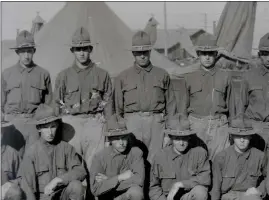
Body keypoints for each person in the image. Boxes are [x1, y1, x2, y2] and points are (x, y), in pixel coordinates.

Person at [18, 104, 87, 200]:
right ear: (38, 129)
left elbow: (81, 171)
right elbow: (26, 187)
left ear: (57, 126)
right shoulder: (31, 152)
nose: (49, 132)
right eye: (45, 127)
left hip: (62, 196)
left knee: (77, 186)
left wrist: (58, 180)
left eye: (53, 126)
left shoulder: (66, 148)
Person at [111, 31, 177, 161]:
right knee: (134, 160)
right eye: (138, 52)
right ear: (133, 53)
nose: (142, 55)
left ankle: (154, 183)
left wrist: (169, 133)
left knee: (156, 160)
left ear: (150, 52)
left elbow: (171, 106)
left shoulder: (162, 74)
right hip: (132, 124)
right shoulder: (123, 77)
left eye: (145, 51)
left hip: (156, 123)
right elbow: (117, 109)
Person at [54, 27, 112, 167]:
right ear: (72, 51)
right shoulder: (63, 76)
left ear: (90, 49)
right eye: (78, 49)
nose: (81, 53)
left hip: (95, 122)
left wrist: (110, 130)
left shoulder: (102, 74)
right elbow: (56, 104)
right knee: (73, 165)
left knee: (95, 164)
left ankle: (94, 189)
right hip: (71, 124)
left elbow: (109, 103)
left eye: (85, 49)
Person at [149, 114, 211, 200]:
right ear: (171, 138)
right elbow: (154, 188)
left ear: (189, 137)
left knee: (200, 191)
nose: (181, 142)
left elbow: (205, 178)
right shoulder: (160, 156)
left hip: (189, 198)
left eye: (184, 138)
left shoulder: (199, 152)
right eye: (177, 138)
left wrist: (180, 184)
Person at [207, 117, 266, 200]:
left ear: (251, 137)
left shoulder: (259, 156)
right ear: (232, 136)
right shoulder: (221, 157)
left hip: (248, 195)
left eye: (246, 136)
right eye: (238, 136)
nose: (242, 140)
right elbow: (216, 188)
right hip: (228, 198)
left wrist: (259, 190)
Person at [182, 33, 239, 160]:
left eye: (211, 53)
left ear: (215, 54)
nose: (207, 57)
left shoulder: (225, 77)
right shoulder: (189, 77)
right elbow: (182, 108)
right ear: (198, 54)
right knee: (196, 162)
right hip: (196, 126)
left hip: (219, 126)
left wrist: (232, 130)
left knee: (220, 163)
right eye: (203, 53)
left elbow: (232, 107)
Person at [88, 115, 144, 200]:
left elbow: (139, 180)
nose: (121, 142)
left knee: (136, 192)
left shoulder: (136, 153)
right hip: (106, 199)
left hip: (126, 197)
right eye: (117, 139)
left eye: (124, 137)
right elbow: (95, 189)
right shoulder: (100, 157)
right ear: (110, 140)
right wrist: (118, 178)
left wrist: (108, 181)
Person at [1, 30, 52, 157]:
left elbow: (49, 105)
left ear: (34, 51)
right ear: (17, 52)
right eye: (23, 52)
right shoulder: (6, 74)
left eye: (29, 51)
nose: (26, 55)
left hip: (34, 125)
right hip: (12, 125)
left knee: (33, 160)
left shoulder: (43, 74)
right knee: (10, 162)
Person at [1, 117, 23, 200]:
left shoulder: (12, 153)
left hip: (5, 196)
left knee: (15, 192)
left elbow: (22, 177)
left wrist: (10, 184)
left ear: (3, 133)